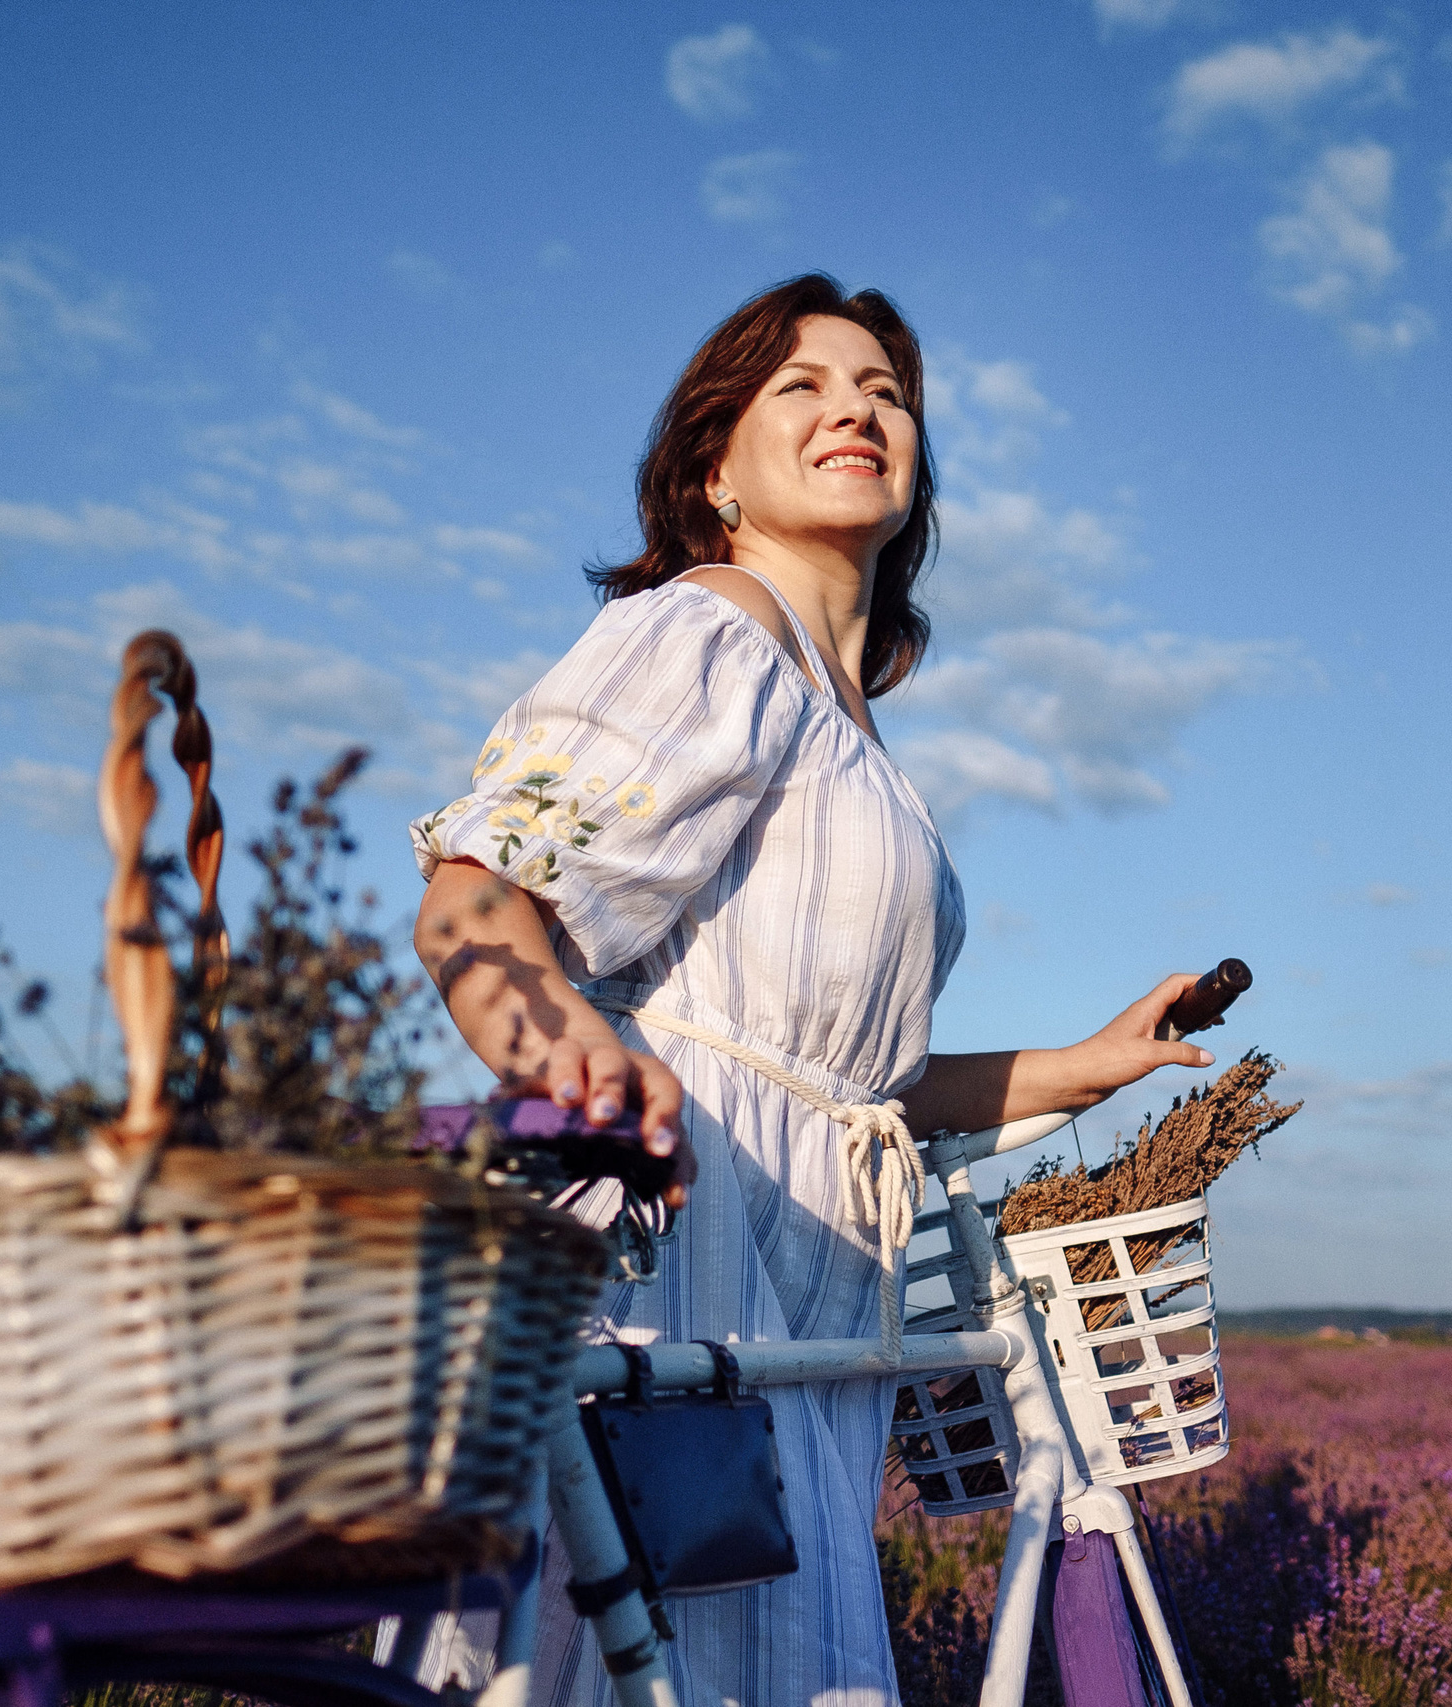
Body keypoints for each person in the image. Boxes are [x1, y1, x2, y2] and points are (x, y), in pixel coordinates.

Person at [410, 273, 1216, 1706]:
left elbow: (860, 1080)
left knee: (760, 1649)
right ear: (713, 468)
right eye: (805, 386)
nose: (856, 405)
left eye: (887, 393)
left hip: (823, 1251)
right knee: (664, 1651)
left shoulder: (845, 727)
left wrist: (1079, 1064)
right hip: (687, 1222)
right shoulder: (711, 630)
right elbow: (480, 900)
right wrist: (579, 1082)